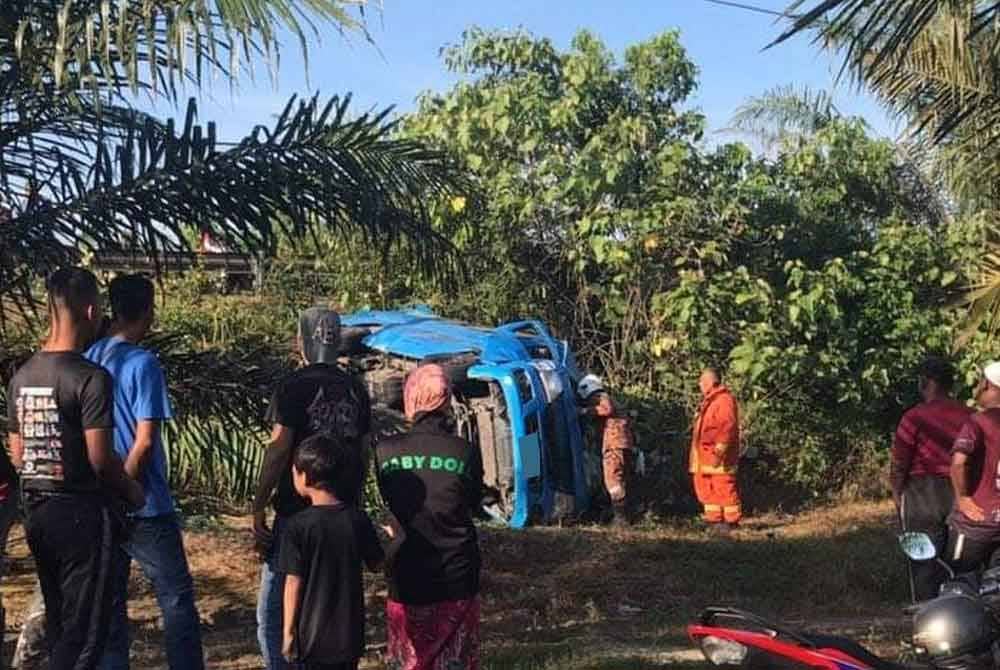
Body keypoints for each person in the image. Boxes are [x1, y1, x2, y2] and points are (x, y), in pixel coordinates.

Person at [6, 267, 144, 670]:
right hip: (82, 516)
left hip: (37, 513)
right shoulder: (90, 378)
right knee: (84, 637)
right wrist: (133, 492)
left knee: (60, 621)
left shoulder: (23, 376)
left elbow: (18, 456)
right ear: (89, 309)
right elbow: (100, 459)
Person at [85, 274, 205, 670]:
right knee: (175, 599)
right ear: (148, 311)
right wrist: (128, 488)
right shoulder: (143, 362)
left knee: (111, 601)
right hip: (144, 504)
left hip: (98, 498)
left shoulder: (90, 357)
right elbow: (145, 440)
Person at [251, 307, 372, 670]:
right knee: (335, 603)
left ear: (300, 341)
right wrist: (354, 504)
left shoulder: (293, 386)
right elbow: (365, 453)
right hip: (342, 512)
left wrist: (259, 505)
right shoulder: (356, 389)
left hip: (296, 514)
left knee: (273, 612)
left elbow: (278, 450)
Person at [375, 364, 483, 670]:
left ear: (412, 396)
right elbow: (472, 503)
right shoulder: (465, 452)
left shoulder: (385, 450)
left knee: (410, 661)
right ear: (446, 400)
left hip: (406, 572)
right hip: (457, 573)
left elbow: (392, 503)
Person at [279, 433, 403, 670]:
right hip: (349, 635)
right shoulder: (357, 519)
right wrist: (396, 540)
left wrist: (288, 632)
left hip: (312, 636)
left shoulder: (297, 526)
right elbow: (378, 564)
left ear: (304, 476)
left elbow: (293, 582)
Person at [891, 357, 972, 601]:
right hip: (962, 488)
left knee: (922, 558)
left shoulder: (914, 417)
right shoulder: (970, 416)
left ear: (926, 381)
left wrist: (897, 492)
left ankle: (925, 613)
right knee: (960, 558)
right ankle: (961, 612)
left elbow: (899, 462)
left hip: (921, 492)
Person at [947, 361, 1000, 573]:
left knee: (960, 582)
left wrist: (963, 498)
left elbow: (959, 463)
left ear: (987, 385)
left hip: (977, 525)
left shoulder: (978, 422)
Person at [576, 374, 636, 526]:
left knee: (613, 479)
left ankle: (621, 518)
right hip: (622, 443)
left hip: (613, 444)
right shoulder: (606, 397)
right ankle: (620, 512)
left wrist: (583, 411)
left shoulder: (600, 396)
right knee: (620, 479)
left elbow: (606, 409)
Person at [689, 367, 742, 532]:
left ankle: (730, 523)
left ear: (710, 382)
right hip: (704, 457)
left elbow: (727, 427)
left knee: (723, 488)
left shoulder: (723, 400)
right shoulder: (710, 401)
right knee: (706, 488)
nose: (700, 385)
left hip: (718, 456)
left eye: (701, 382)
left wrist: (720, 451)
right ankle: (715, 522)